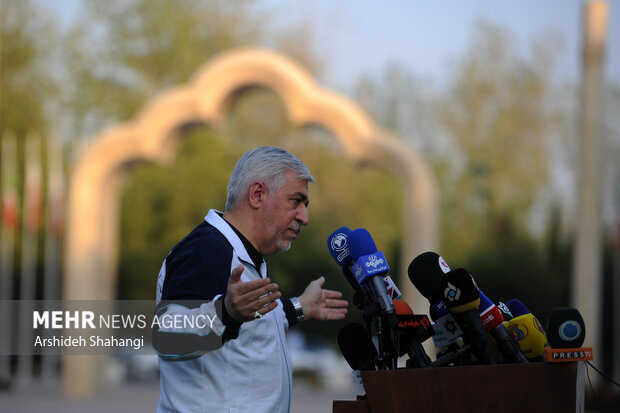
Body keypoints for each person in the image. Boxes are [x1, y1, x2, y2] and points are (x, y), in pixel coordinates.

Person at [154, 146, 348, 413]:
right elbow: (168, 337)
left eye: (305, 205)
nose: (305, 217)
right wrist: (227, 314)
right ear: (257, 195)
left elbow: (252, 327)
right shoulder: (205, 252)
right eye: (296, 201)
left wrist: (300, 306)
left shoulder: (241, 254)